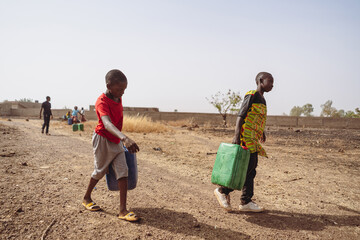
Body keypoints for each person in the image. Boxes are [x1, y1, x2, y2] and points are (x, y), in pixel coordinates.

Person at [83, 69, 140, 222]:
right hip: (102, 139)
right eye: (119, 89)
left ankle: (122, 210)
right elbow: (107, 123)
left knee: (123, 170)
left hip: (115, 140)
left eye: (124, 89)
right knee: (100, 170)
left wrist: (121, 138)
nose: (122, 93)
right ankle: (86, 197)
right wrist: (124, 138)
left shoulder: (117, 98)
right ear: (108, 86)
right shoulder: (101, 101)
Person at [214, 72, 274, 212]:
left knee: (251, 169)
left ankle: (245, 201)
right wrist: (236, 136)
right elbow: (241, 115)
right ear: (260, 81)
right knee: (244, 167)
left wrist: (261, 131)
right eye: (270, 81)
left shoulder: (263, 99)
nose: (272, 85)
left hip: (253, 138)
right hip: (244, 137)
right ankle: (223, 191)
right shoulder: (252, 95)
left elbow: (255, 118)